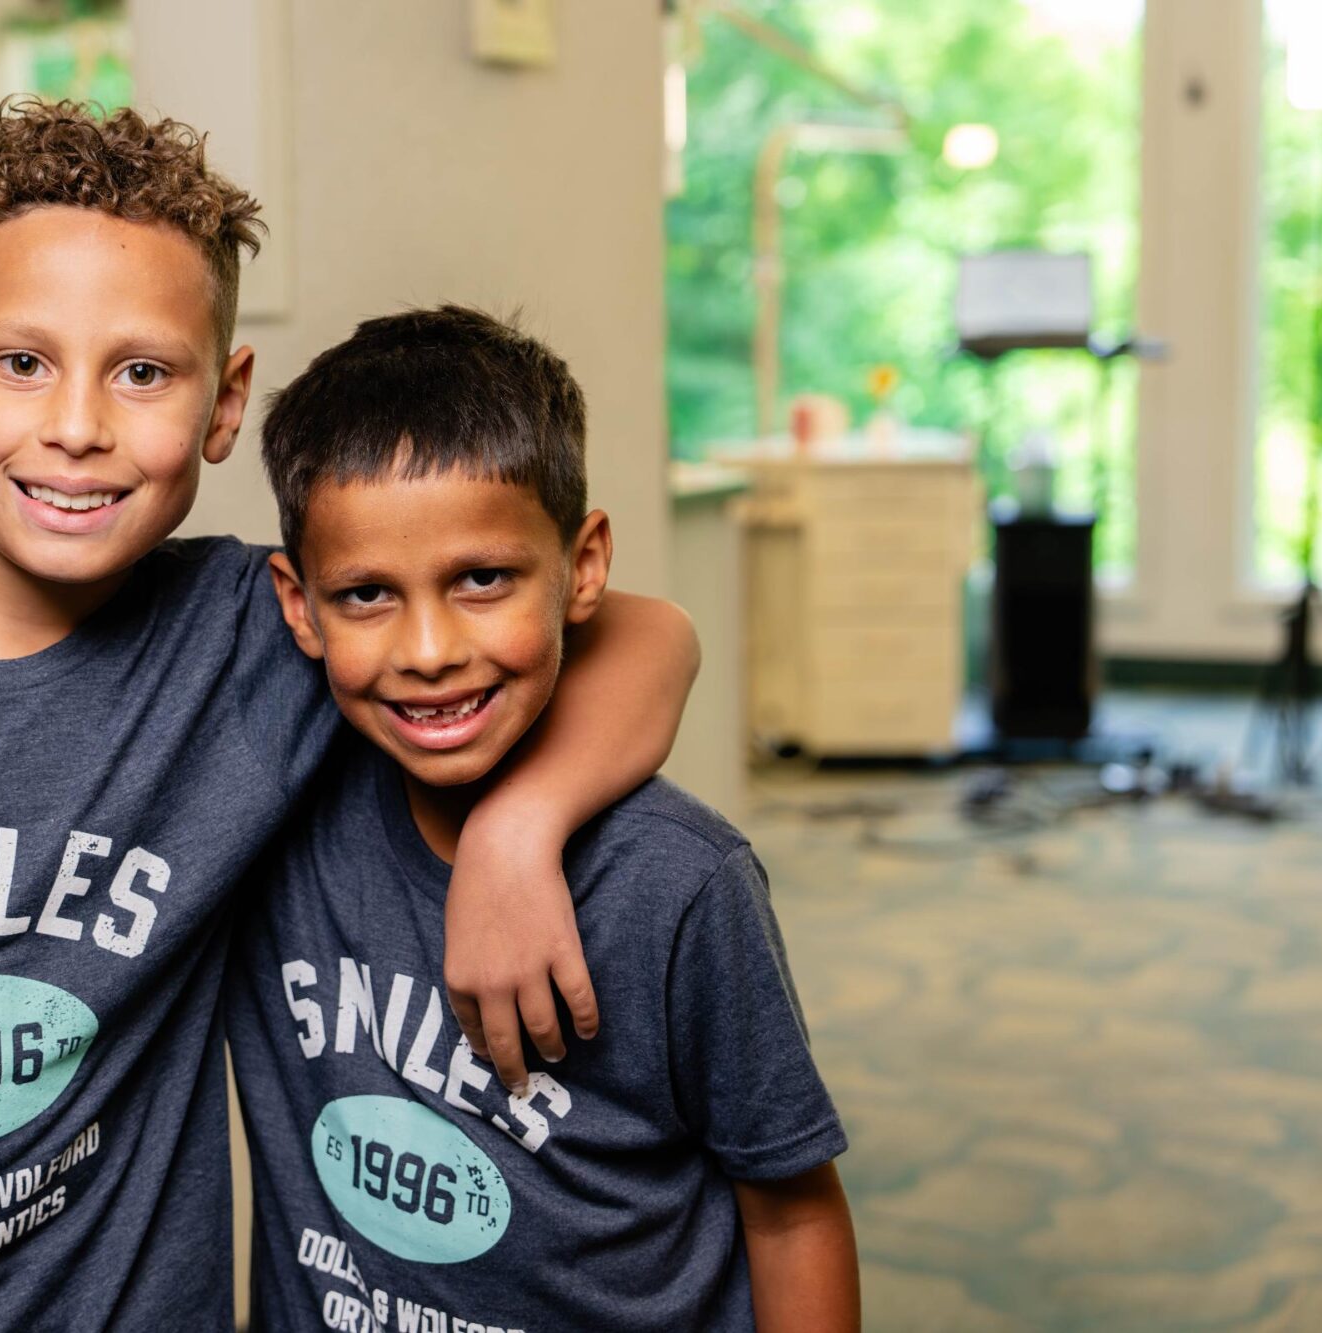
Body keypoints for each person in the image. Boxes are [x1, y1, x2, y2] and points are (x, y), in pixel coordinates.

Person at [0, 101, 699, 1331]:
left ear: (223, 405)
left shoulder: (249, 637)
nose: (75, 425)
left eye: (142, 372)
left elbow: (642, 632)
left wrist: (516, 829)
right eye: (20, 362)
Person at [229, 306, 858, 1332]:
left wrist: (513, 830)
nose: (428, 648)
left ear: (585, 564)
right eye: (366, 595)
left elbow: (790, 1212)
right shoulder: (264, 799)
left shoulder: (676, 882)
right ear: (299, 608)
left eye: (482, 579)